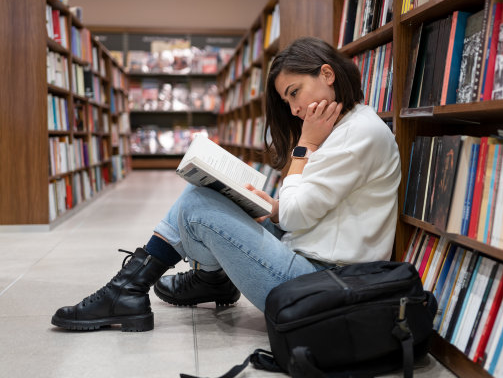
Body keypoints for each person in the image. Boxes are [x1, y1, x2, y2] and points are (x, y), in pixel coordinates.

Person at [51, 37, 401, 332]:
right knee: (204, 191)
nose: (294, 109)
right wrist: (272, 208)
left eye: (295, 93)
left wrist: (303, 150)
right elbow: (313, 208)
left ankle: (141, 287)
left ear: (327, 74)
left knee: (197, 206)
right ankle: (160, 285)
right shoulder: (345, 128)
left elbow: (297, 217)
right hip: (311, 263)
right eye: (287, 100)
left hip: (320, 286)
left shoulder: (358, 135)